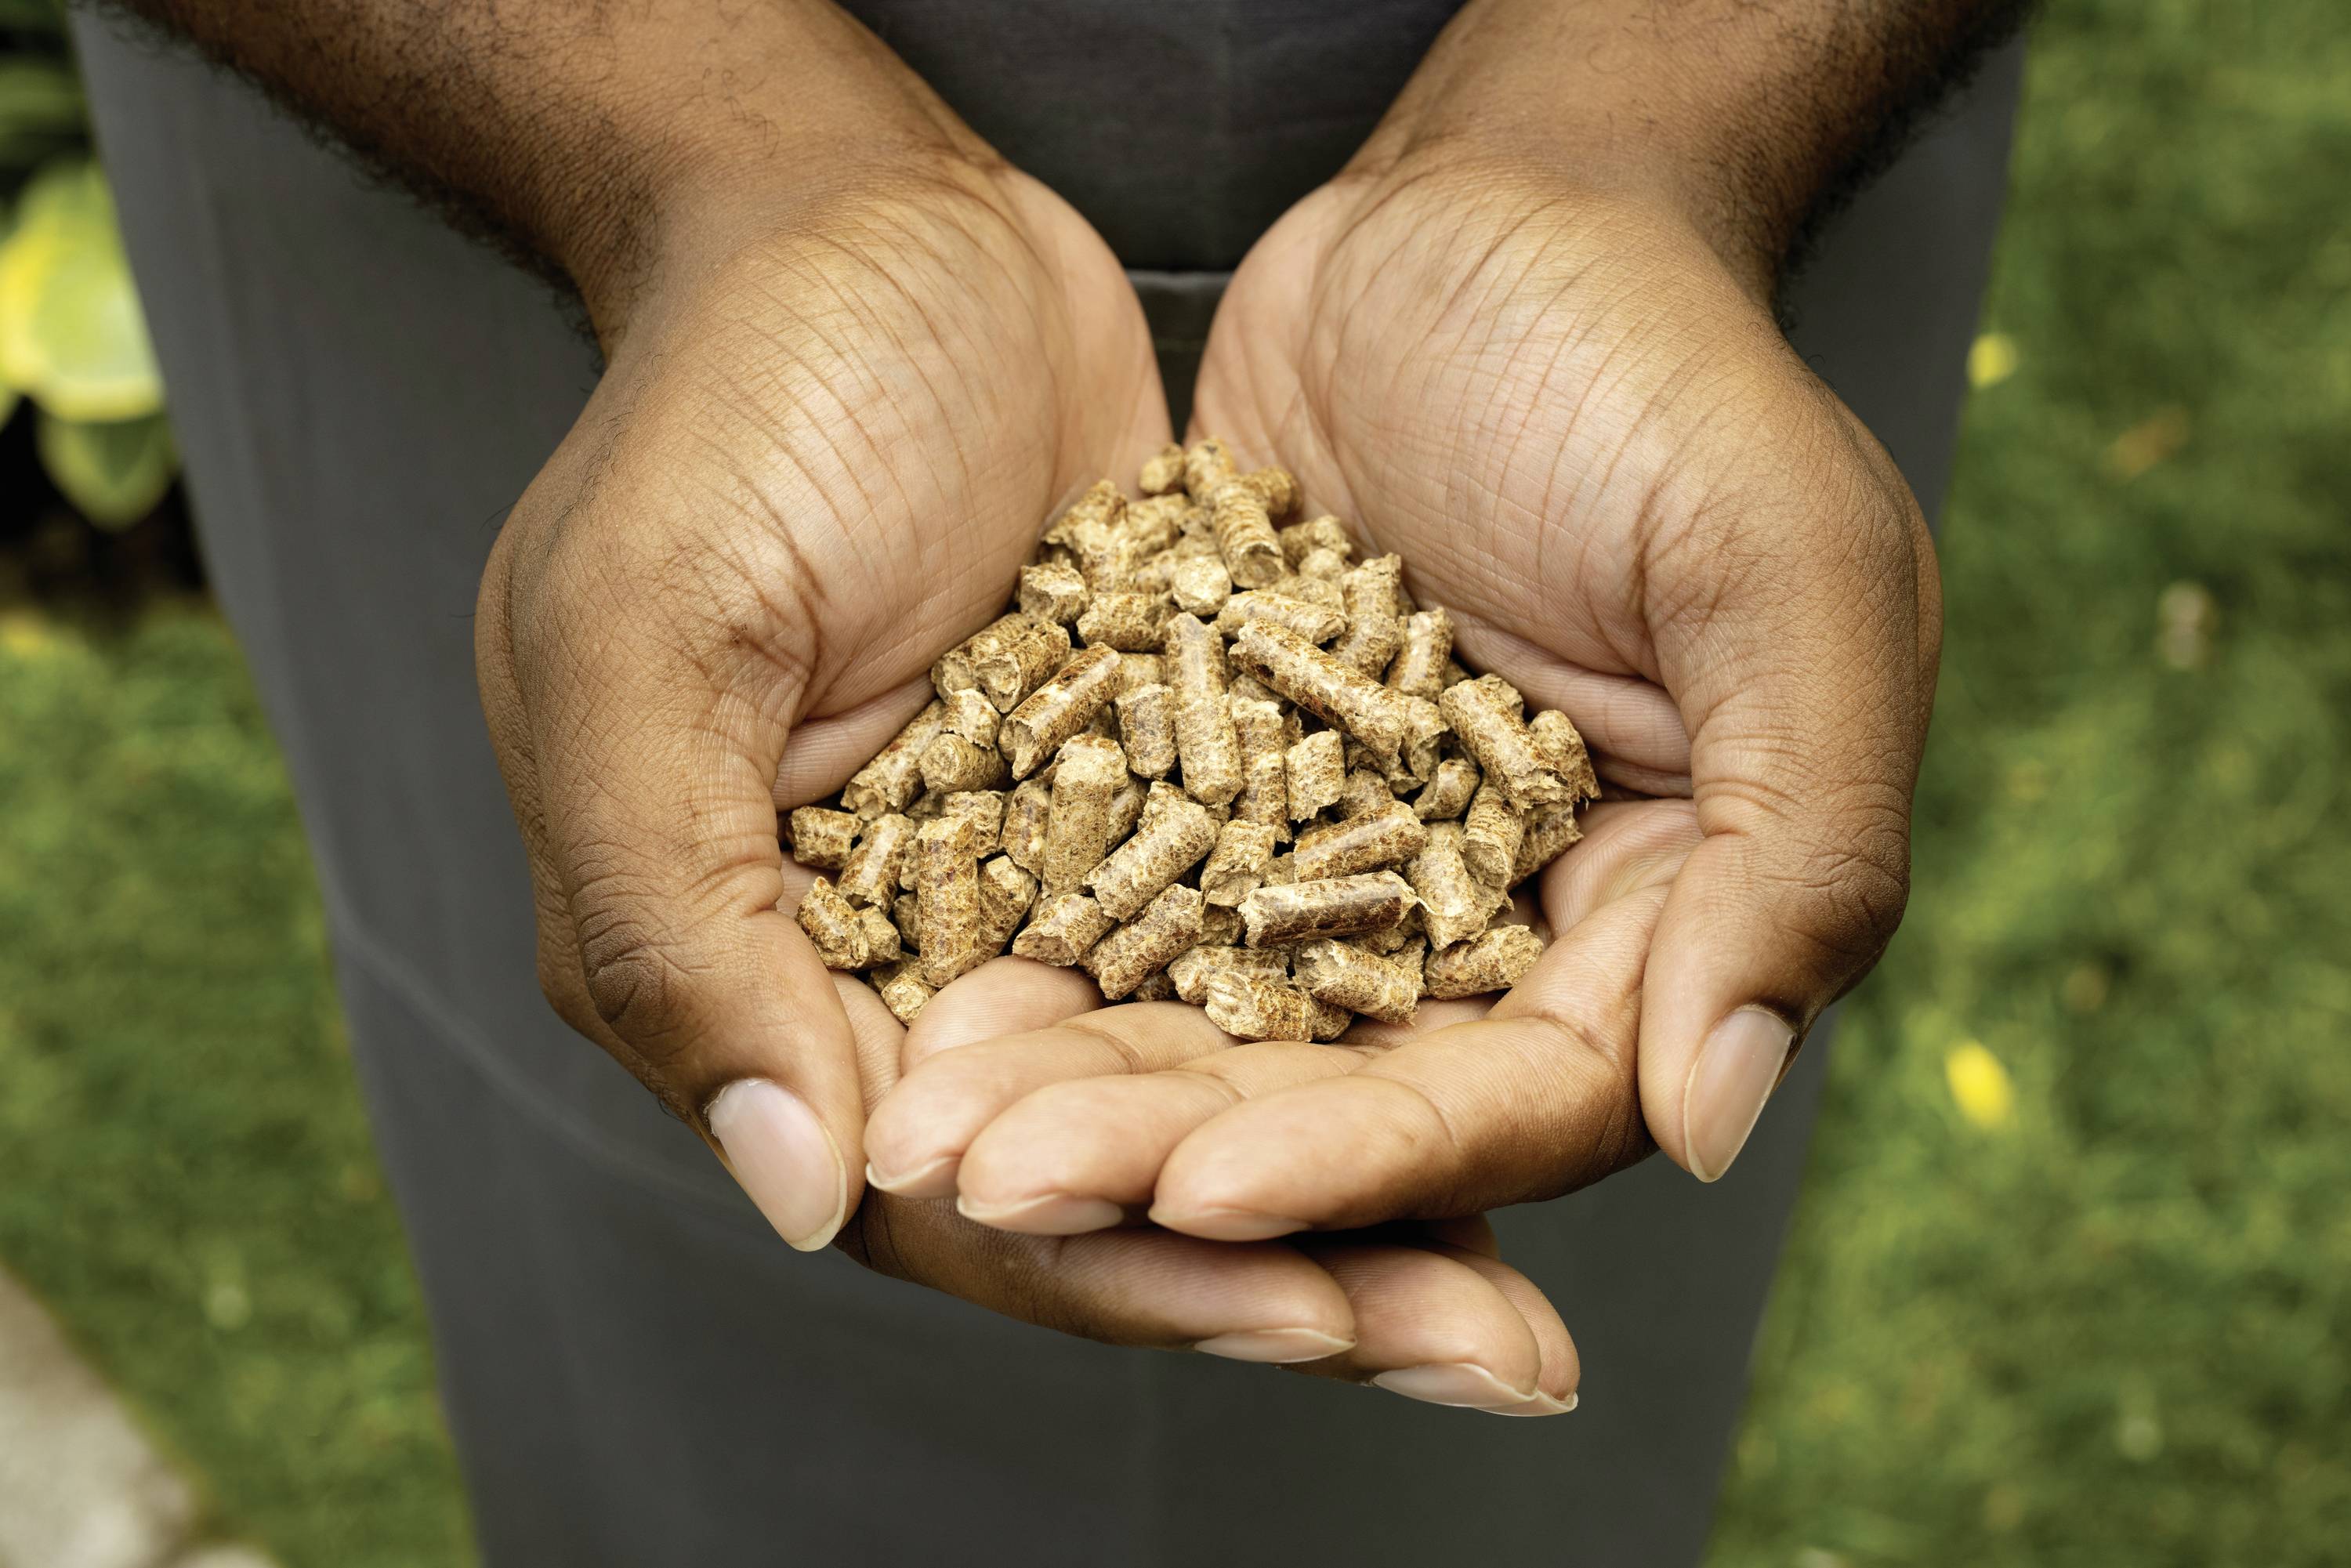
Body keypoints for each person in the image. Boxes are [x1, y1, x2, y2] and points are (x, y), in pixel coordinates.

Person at [78, 1, 2026, 1560]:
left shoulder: (1372, 711)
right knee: (641, 1088)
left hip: (1716, 166)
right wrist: (712, 162)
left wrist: (1636, 142)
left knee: (1584, 1152)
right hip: (481, 173)